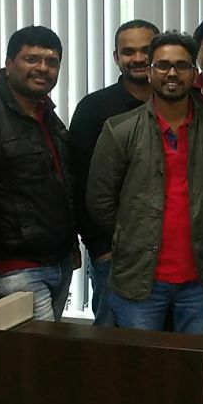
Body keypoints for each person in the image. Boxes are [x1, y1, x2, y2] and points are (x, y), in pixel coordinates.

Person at [86, 31, 203, 334]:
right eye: (163, 65)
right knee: (142, 360)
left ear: (194, 73)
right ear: (150, 71)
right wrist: (131, 235)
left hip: (200, 278)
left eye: (182, 66)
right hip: (138, 276)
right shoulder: (120, 129)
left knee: (194, 360)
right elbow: (99, 200)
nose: (172, 73)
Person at [0, 25, 75, 321]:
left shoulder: (46, 114)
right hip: (13, 269)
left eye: (51, 62)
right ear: (9, 64)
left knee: (48, 346)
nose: (43, 68)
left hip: (57, 262)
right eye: (32, 59)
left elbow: (61, 186)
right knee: (37, 349)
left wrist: (71, 248)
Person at [69, 19, 159, 325]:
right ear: (116, 57)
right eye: (128, 51)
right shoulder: (93, 108)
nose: (138, 58)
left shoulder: (180, 104)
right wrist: (99, 248)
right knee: (113, 340)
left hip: (171, 256)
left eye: (146, 50)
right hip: (113, 253)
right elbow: (80, 183)